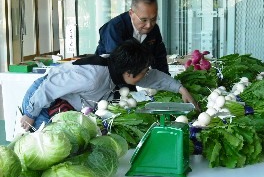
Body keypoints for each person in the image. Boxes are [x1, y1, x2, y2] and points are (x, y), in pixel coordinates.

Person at [20, 39, 199, 131]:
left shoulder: (118, 68)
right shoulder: (92, 77)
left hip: (64, 103)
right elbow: (49, 88)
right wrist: (30, 114)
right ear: (129, 73)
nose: (145, 75)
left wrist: (180, 88)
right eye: (143, 71)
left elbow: (151, 77)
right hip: (42, 101)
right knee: (51, 147)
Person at [95, 0, 169, 75]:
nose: (149, 25)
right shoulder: (114, 28)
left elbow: (159, 59)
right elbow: (118, 64)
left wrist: (168, 83)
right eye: (144, 20)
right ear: (131, 13)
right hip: (106, 76)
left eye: (153, 19)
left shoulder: (154, 28)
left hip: (134, 75)